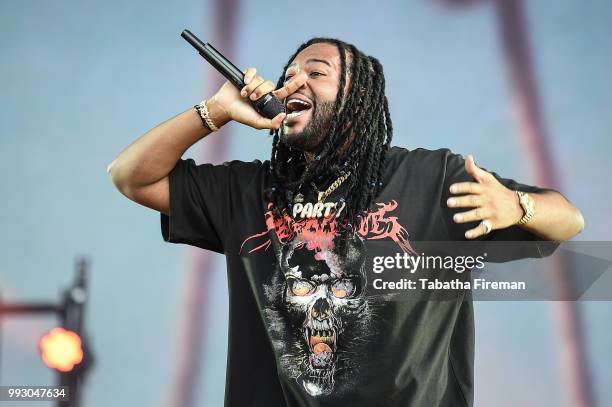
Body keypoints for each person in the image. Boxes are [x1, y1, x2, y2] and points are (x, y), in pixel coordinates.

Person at [107, 38, 584, 407]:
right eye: (289, 74)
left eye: (317, 72)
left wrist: (518, 207)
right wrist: (214, 112)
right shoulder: (248, 191)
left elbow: (570, 221)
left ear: (359, 97)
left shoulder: (433, 177)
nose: (294, 82)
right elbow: (131, 177)